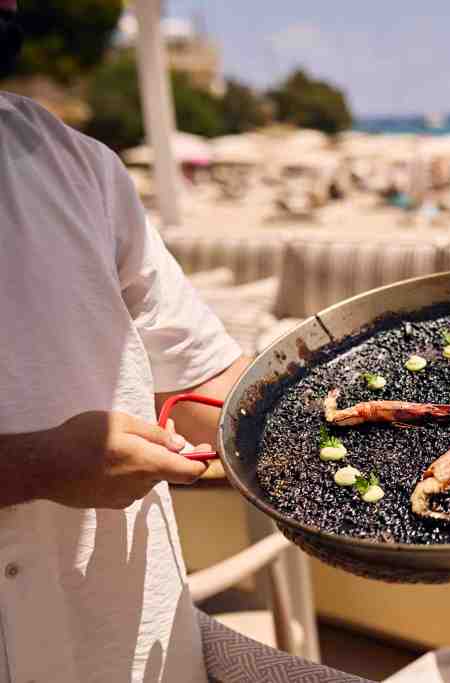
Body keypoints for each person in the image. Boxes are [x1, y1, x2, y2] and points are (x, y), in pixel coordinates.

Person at [0, 6, 254, 681]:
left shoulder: (79, 167)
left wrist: (364, 419)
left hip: (132, 655)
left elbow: (206, 382)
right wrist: (35, 465)